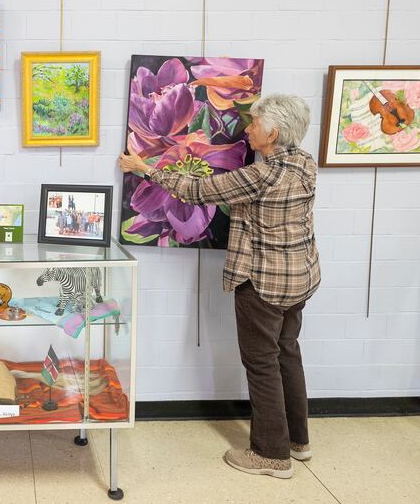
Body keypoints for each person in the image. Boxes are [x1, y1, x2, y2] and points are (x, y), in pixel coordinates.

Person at [119, 93, 320, 479]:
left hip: (263, 281)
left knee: (261, 365)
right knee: (286, 354)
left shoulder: (261, 175)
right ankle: (299, 442)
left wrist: (145, 167)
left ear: (273, 133)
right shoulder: (303, 163)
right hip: (300, 276)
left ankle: (271, 456)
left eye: (256, 124)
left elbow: (198, 191)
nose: (248, 129)